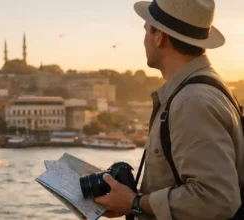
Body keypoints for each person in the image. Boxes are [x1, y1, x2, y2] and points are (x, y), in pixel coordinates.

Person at [93, 0, 244, 220]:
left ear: (159, 37)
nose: (144, 39)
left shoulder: (192, 102)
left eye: (146, 30)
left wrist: (135, 202)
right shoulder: (208, 88)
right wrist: (129, 202)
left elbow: (216, 199)